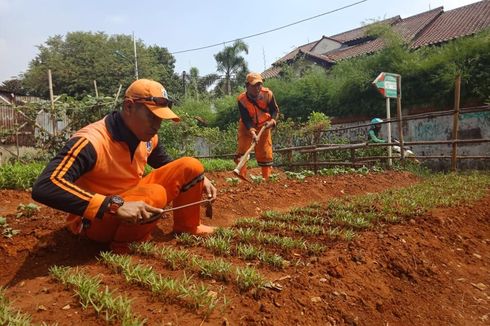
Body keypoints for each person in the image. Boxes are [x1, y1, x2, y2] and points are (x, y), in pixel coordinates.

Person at [31, 79, 217, 253]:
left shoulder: (147, 137)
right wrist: (111, 206)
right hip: (96, 221)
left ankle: (188, 227)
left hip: (131, 200)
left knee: (191, 165)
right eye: (152, 117)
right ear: (129, 107)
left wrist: (201, 179)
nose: (157, 125)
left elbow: (168, 164)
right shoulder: (92, 142)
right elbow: (46, 185)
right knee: (154, 194)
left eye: (161, 119)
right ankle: (126, 247)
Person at [235, 72, 279, 180]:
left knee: (265, 152)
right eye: (254, 85)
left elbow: (275, 110)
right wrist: (252, 131)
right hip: (247, 127)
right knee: (243, 150)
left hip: (264, 125)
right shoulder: (242, 99)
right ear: (247, 86)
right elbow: (245, 118)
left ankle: (266, 180)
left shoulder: (267, 94)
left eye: (259, 84)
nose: (257, 88)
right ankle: (242, 177)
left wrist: (273, 121)